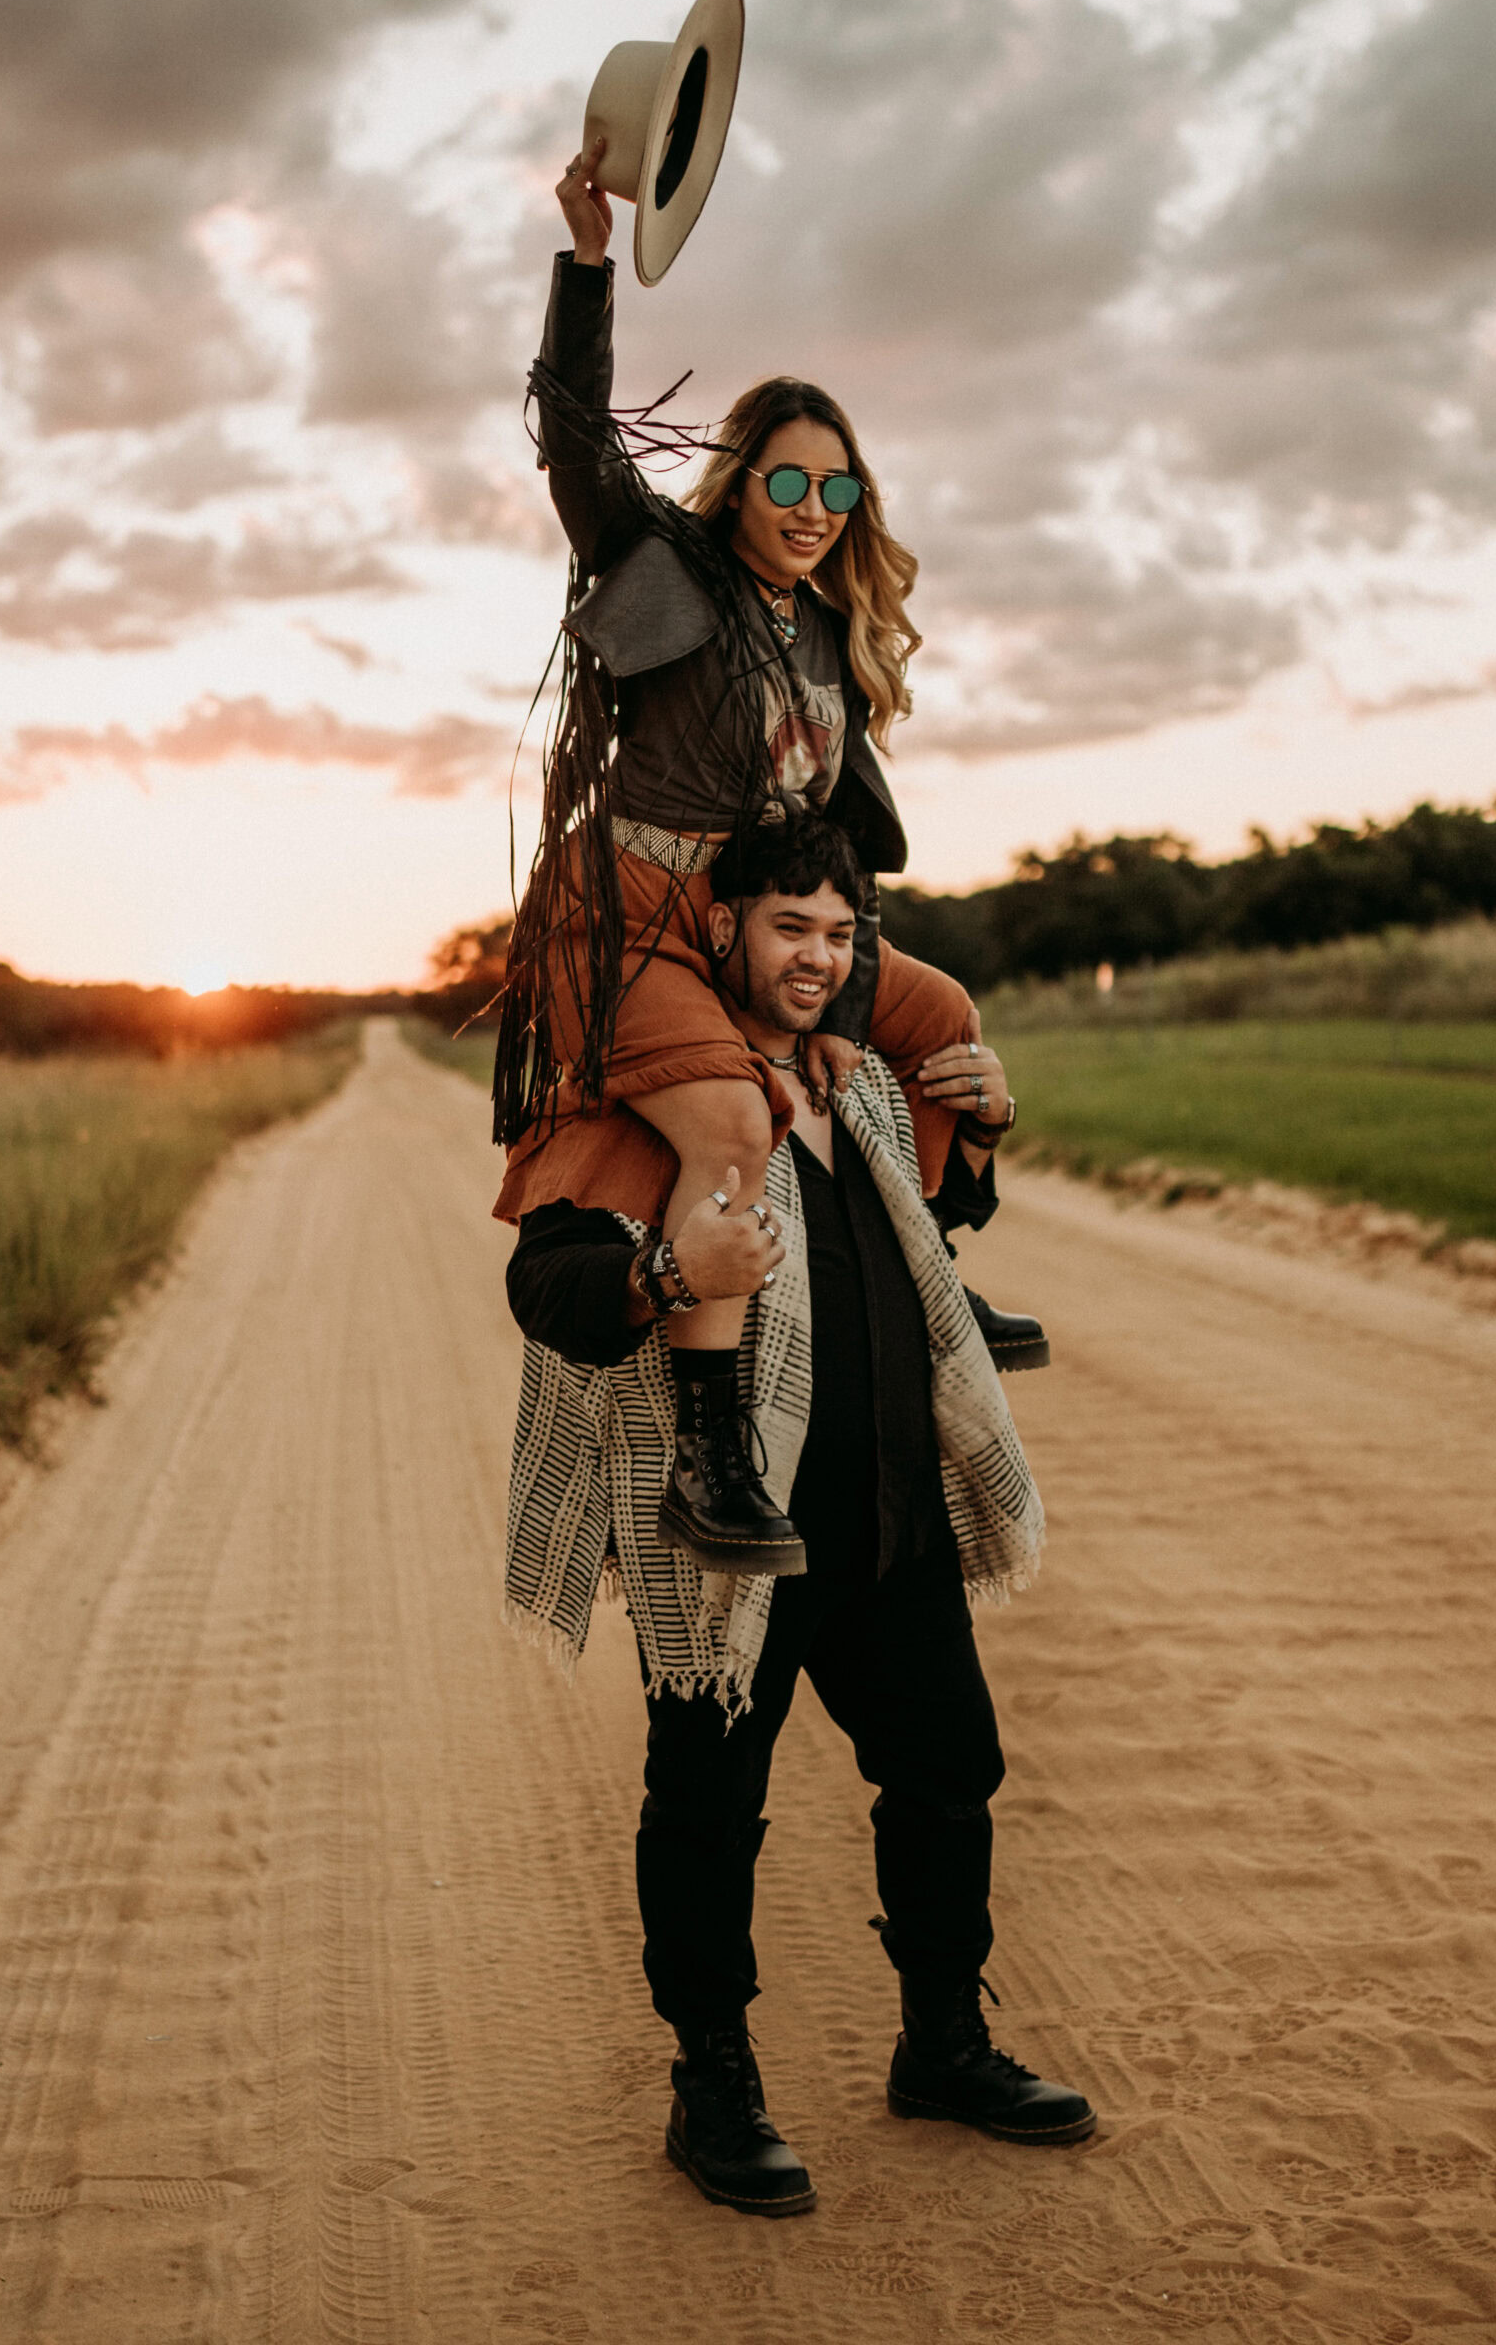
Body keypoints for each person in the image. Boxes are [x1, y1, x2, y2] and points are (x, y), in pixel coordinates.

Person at [502, 812, 1096, 2218]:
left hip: (891, 1526)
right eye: (788, 928)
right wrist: (664, 1272)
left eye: (840, 933)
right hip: (732, 1544)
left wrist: (989, 1121)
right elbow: (548, 1291)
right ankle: (713, 2083)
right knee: (708, 1811)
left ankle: (943, 2046)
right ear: (721, 935)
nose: (819, 957)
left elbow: (938, 1231)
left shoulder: (864, 1087)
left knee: (952, 1771)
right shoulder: (630, 1108)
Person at [493, 135, 1045, 1584]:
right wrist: (589, 263)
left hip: (757, 918)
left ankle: (934, 1281)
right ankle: (711, 1453)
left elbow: (835, 838)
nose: (814, 513)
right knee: (735, 1135)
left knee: (940, 1022)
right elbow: (574, 441)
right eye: (790, 484)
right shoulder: (667, 569)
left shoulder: (828, 637)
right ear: (739, 485)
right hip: (628, 912)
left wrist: (842, 947)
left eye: (841, 493)